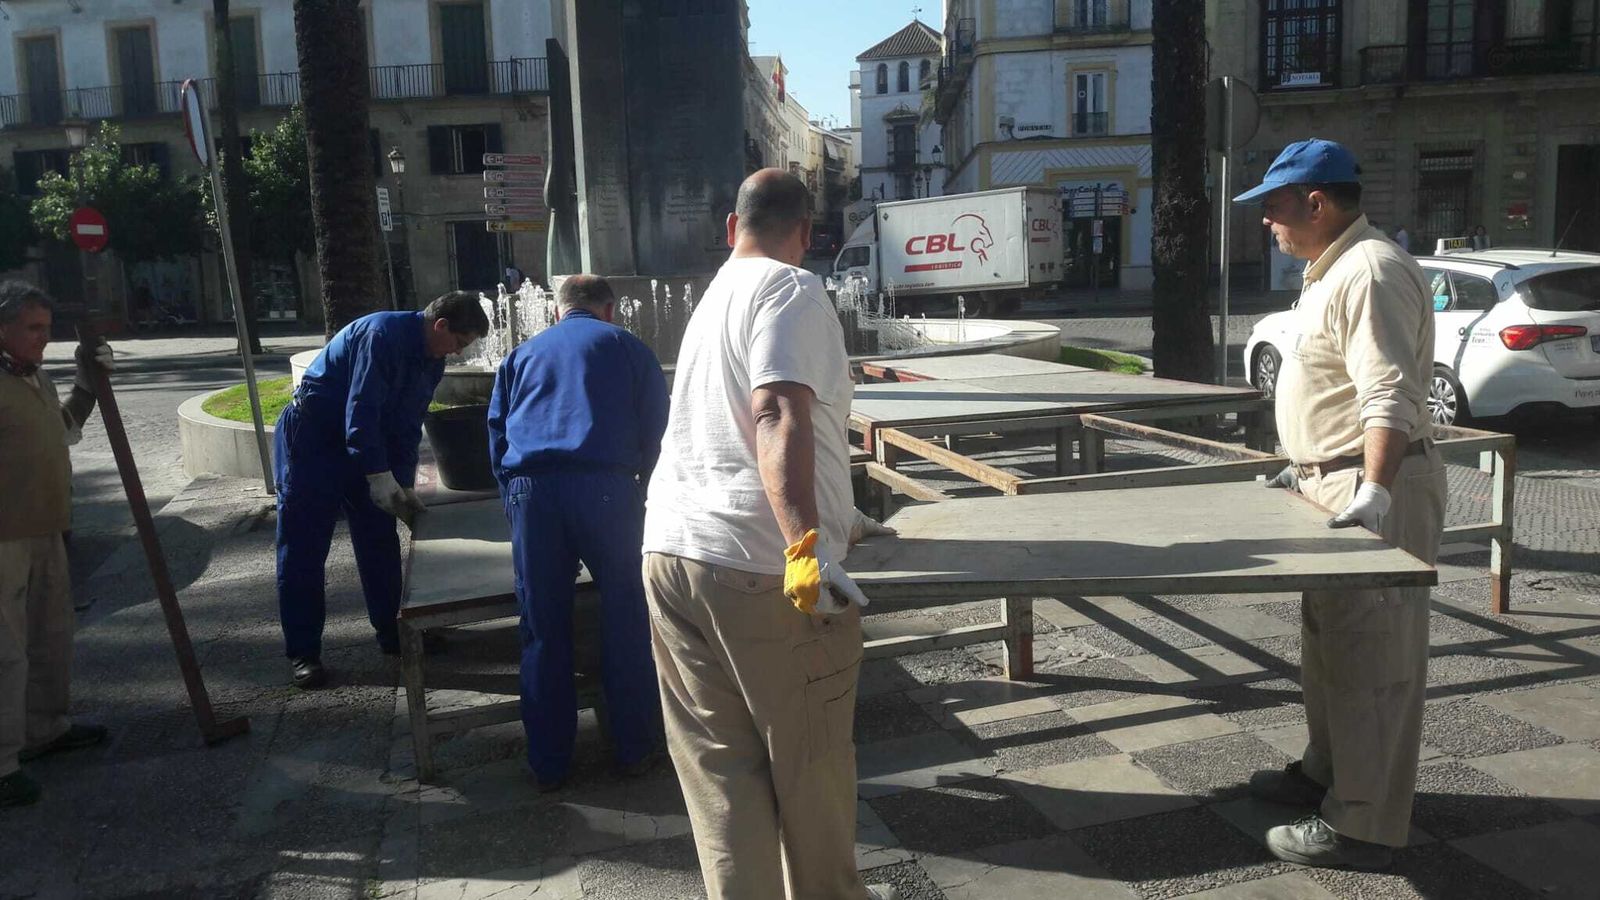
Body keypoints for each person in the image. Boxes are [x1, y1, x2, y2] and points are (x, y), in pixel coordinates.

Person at [641, 169, 898, 900]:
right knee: (810, 776)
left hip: (670, 553)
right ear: (807, 235)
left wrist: (845, 519)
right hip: (754, 567)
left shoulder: (709, 299)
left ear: (731, 228)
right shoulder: (790, 289)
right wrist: (804, 548)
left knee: (723, 782)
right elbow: (777, 413)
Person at [1234, 139, 1446, 871]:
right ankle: (1328, 773)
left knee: (1373, 660)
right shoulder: (1332, 269)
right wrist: (1307, 469)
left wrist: (1376, 492)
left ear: (1317, 202)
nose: (1267, 222)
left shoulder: (1371, 271)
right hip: (1335, 482)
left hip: (1370, 488)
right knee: (1331, 648)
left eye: (1275, 207)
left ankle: (1363, 823)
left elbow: (1388, 392)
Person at [487, 274, 669, 791]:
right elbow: (658, 430)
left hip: (533, 492)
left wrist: (515, 500)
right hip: (607, 490)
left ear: (558, 311)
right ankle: (633, 749)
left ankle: (549, 763)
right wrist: (645, 489)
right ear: (608, 309)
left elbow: (497, 434)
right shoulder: (628, 347)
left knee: (542, 627)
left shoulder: (520, 355)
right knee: (626, 617)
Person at [275, 292, 488, 689]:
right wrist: (377, 474)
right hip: (314, 440)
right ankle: (304, 652)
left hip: (368, 445)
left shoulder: (432, 358)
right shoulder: (381, 336)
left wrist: (401, 485)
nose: (458, 354)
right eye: (459, 343)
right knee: (303, 547)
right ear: (440, 325)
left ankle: (395, 635)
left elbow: (407, 424)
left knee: (379, 541)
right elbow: (362, 410)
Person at [0, 281, 114, 808]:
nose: (43, 339)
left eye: (47, 328)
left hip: (47, 528)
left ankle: (45, 729)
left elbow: (64, 429)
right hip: (4, 538)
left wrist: (87, 382)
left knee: (51, 635)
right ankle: (2, 765)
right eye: (34, 329)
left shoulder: (33, 375)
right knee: (6, 653)